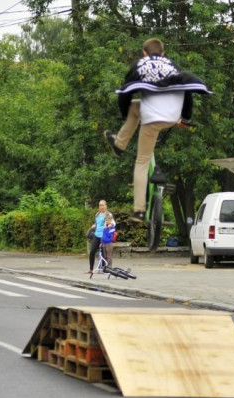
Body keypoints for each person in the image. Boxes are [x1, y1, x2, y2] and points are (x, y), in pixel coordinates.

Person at [104, 38, 210, 222]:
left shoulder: (140, 64)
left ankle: (139, 210)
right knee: (136, 107)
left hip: (152, 118)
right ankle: (119, 144)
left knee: (142, 161)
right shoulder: (172, 64)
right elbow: (186, 89)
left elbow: (125, 93)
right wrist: (185, 118)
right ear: (163, 53)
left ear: (144, 53)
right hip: (172, 116)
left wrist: (123, 115)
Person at [85, 200, 114, 274]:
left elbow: (111, 223)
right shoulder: (97, 214)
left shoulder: (108, 214)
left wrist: (109, 224)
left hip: (103, 235)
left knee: (103, 253)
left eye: (103, 205)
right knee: (92, 252)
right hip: (96, 235)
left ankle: (102, 269)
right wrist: (94, 225)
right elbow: (97, 223)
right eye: (100, 205)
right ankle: (91, 269)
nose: (101, 207)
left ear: (106, 206)